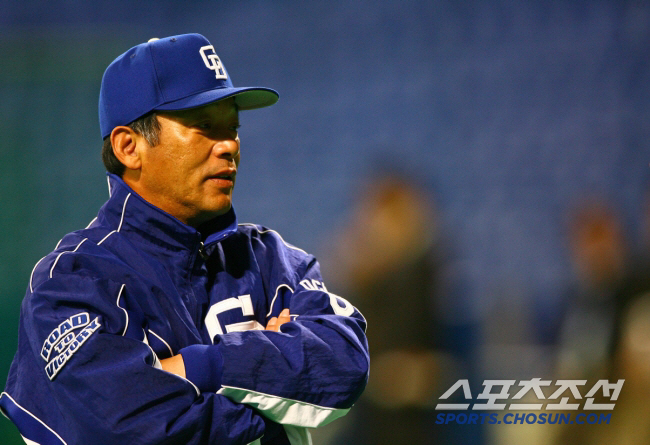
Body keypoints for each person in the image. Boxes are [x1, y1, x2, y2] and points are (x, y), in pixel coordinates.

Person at [0, 33, 369, 445]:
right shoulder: (72, 282)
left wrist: (198, 369)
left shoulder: (271, 259)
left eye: (232, 127)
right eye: (204, 126)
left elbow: (345, 366)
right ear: (128, 146)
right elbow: (130, 432)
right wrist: (275, 410)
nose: (229, 145)